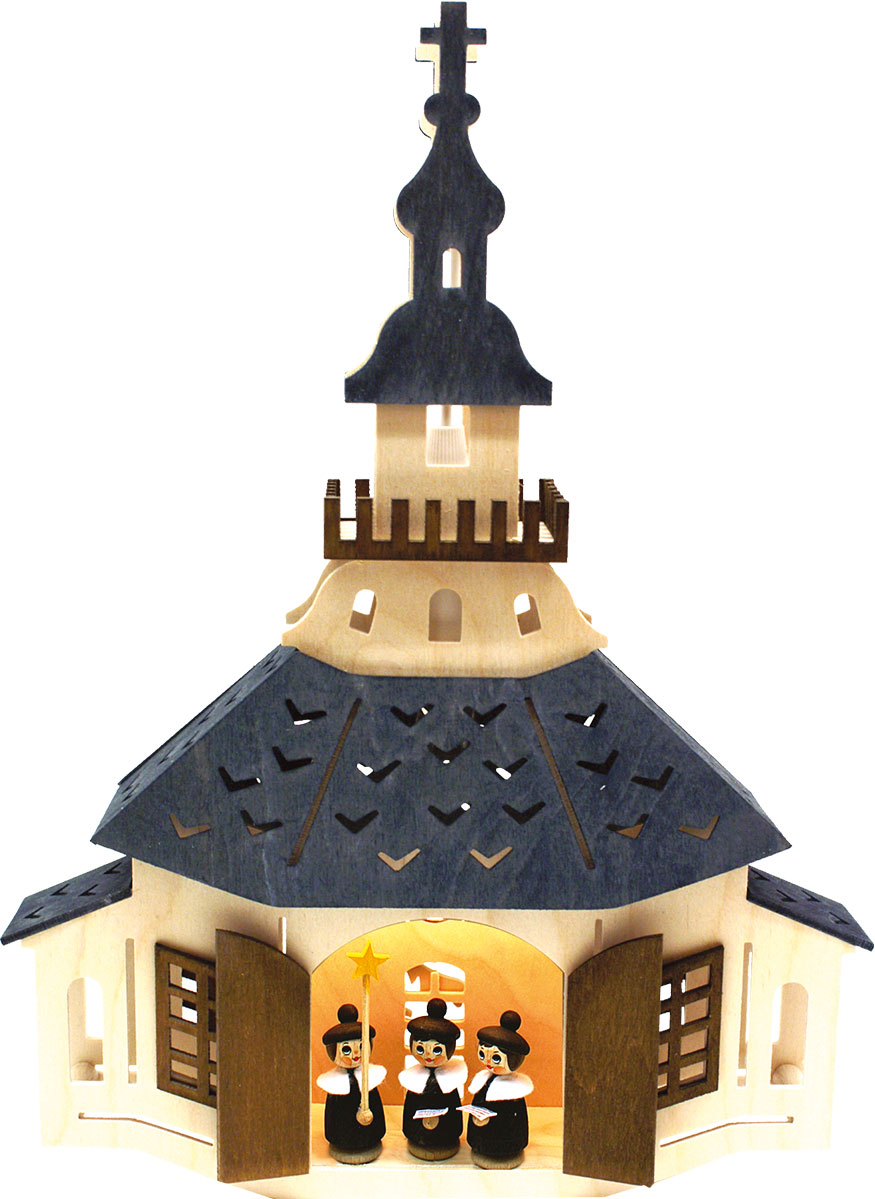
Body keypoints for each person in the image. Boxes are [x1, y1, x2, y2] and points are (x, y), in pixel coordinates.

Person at [398, 997, 467, 1160]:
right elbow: (410, 1108)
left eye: (436, 1050)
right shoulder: (414, 1080)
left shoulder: (449, 1082)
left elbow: (454, 1111)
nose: (428, 1056)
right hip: (417, 1135)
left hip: (447, 1135)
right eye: (420, 1049)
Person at [316, 1003, 386, 1163]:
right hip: (342, 1135)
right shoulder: (335, 1086)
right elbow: (332, 1116)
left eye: (361, 1047)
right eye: (346, 1050)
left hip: (370, 1135)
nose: (355, 1055)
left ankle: (369, 1139)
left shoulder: (370, 1079)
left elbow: (376, 1107)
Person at [466, 1010, 533, 1168]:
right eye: (483, 1054)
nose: (489, 1062)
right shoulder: (483, 1081)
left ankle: (502, 1150)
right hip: (480, 1138)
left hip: (507, 1142)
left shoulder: (514, 1091)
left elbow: (516, 1120)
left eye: (496, 1058)